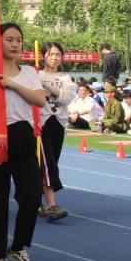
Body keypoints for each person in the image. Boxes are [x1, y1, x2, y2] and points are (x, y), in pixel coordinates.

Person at [0, 23, 45, 261]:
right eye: (9, 39)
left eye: (18, 40)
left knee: (31, 197)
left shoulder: (28, 73)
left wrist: (13, 84)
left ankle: (18, 247)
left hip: (22, 135)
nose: (15, 44)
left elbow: (39, 99)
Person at [38, 42, 77, 223]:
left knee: (49, 162)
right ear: (43, 55)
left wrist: (45, 84)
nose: (54, 58)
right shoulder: (34, 75)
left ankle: (34, 200)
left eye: (58, 54)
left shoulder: (66, 79)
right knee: (48, 165)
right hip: (40, 125)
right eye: (51, 54)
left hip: (58, 125)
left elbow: (65, 98)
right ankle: (52, 206)